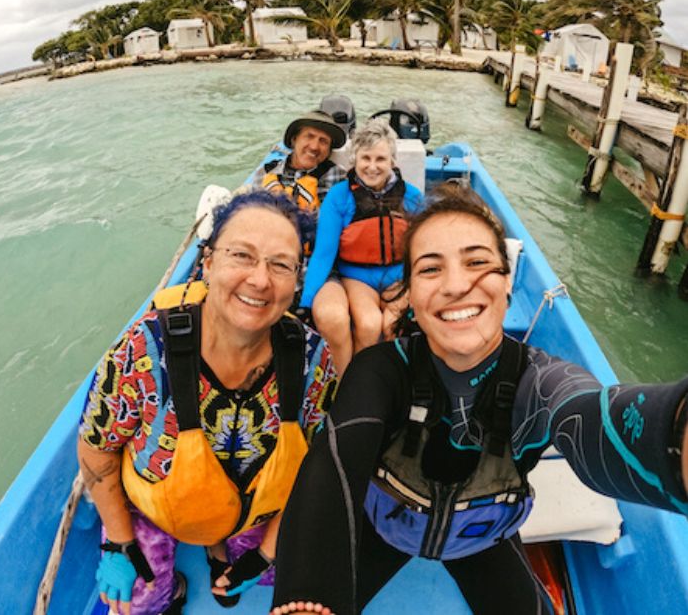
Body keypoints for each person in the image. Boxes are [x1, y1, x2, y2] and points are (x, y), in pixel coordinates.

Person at [272, 183, 688, 615]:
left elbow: (594, 418)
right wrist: (306, 598)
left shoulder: (541, 380)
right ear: (409, 294)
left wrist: (675, 438)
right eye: (431, 270)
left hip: (481, 539)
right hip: (383, 530)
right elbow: (332, 464)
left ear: (507, 283)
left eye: (477, 262)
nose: (456, 285)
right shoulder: (380, 370)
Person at [78, 191, 339, 615]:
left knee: (284, 571)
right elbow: (97, 448)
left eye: (280, 265)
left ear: (298, 279)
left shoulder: (313, 358)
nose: (260, 279)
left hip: (253, 508)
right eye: (242, 255)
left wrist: (268, 551)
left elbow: (313, 464)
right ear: (208, 261)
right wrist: (119, 542)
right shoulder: (142, 351)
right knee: (137, 603)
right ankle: (174, 583)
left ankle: (223, 549)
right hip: (157, 510)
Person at [298, 119, 423, 375]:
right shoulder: (339, 196)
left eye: (381, 159)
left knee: (393, 324)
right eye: (366, 158)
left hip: (399, 277)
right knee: (368, 324)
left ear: (393, 162)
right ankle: (357, 384)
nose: (373, 167)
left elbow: (425, 246)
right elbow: (323, 254)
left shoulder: (412, 196)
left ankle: (391, 383)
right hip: (357, 277)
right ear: (355, 159)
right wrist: (306, 303)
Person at [250, 110, 347, 213]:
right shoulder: (265, 172)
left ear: (328, 152)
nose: (314, 146)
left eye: (323, 141)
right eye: (309, 136)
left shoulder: (337, 176)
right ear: (294, 140)